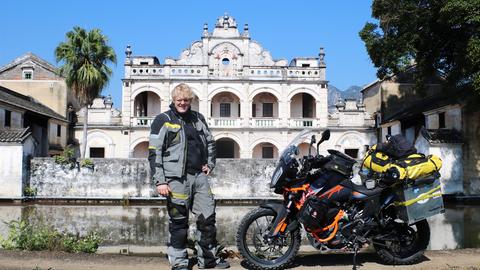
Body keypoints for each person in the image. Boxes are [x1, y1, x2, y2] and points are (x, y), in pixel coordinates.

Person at [148, 83, 229, 270]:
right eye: (179, 100)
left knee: (207, 219)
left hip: (199, 177)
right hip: (175, 180)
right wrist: (160, 181)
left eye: (186, 100)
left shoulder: (198, 119)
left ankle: (207, 261)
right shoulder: (163, 120)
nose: (182, 103)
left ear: (190, 101)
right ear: (173, 100)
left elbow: (210, 142)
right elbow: (154, 152)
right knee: (179, 222)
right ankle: (179, 262)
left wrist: (210, 164)